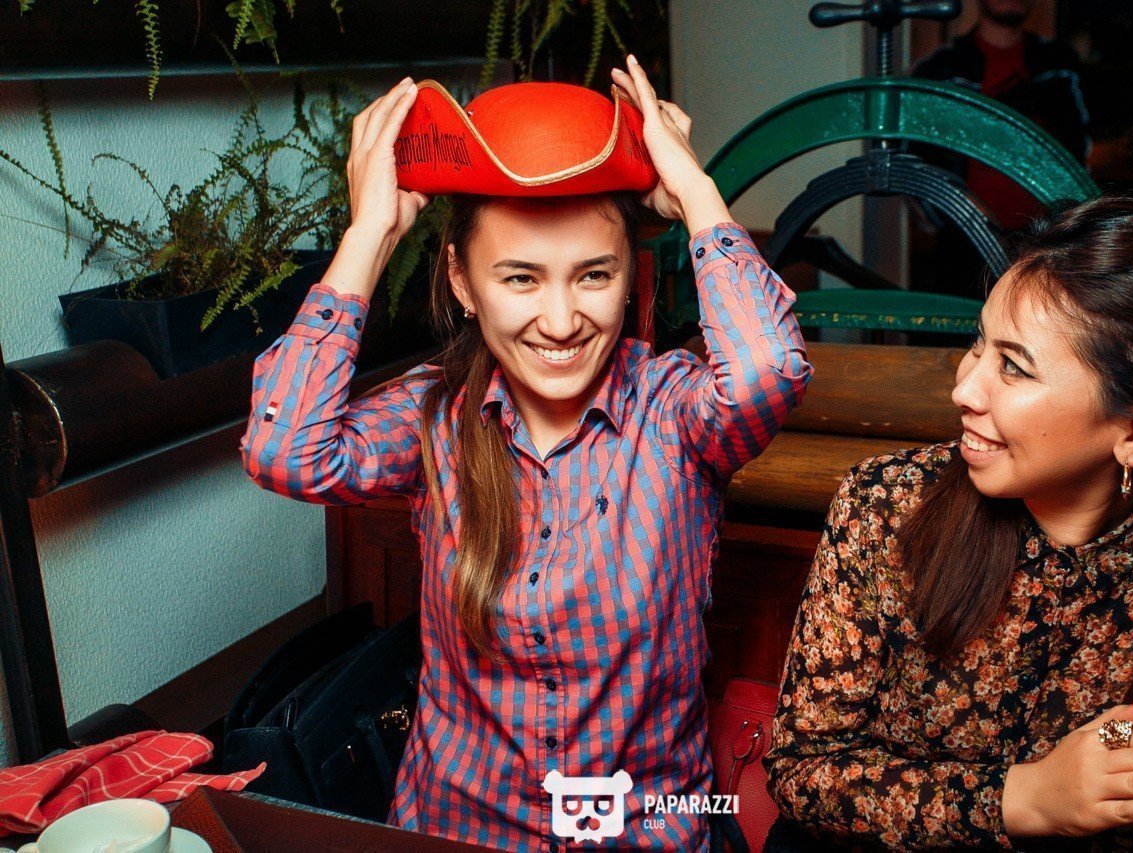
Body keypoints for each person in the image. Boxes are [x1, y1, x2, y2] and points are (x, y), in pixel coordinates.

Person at [240, 57, 811, 851]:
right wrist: (369, 236)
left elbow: (768, 371)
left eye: (593, 274)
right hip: (456, 829)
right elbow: (284, 450)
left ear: (631, 276)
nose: (561, 318)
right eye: (520, 278)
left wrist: (693, 191)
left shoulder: (671, 411)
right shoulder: (435, 413)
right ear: (462, 282)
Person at [763, 197, 1133, 850]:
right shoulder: (888, 505)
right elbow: (804, 769)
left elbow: (1115, 747)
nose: (964, 388)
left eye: (1013, 366)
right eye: (979, 343)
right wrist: (1027, 796)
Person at [914, 0, 1089, 232]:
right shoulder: (940, 70)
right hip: (967, 239)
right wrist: (947, 215)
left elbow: (1079, 147)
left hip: (1049, 237)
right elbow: (914, 160)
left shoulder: (1059, 64)